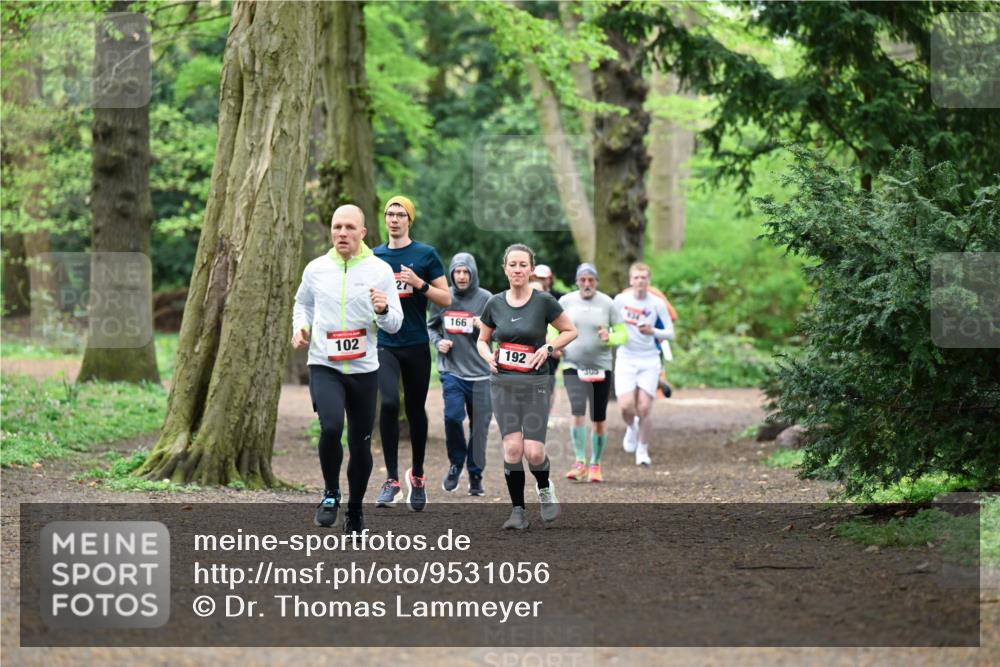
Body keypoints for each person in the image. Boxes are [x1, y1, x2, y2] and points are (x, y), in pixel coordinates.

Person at [292, 205, 403, 533]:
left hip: (364, 369)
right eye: (337, 227)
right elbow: (303, 303)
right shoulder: (316, 269)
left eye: (349, 227)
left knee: (359, 442)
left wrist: (382, 310)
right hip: (324, 363)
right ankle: (330, 494)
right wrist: (301, 326)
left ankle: (355, 509)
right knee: (329, 427)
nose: (342, 233)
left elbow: (395, 323)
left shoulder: (380, 270)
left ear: (363, 233)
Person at [477, 244, 577, 530]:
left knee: (533, 452)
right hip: (503, 384)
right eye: (513, 265)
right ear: (505, 269)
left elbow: (570, 330)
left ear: (531, 269)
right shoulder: (494, 303)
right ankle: (518, 511)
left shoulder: (544, 301)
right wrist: (488, 358)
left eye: (523, 265)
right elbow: (483, 340)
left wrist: (548, 346)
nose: (518, 270)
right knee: (512, 449)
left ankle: (545, 488)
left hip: (536, 384)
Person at [372, 196, 450, 512]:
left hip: (416, 343)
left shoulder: (425, 254)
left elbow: (445, 298)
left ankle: (416, 476)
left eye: (400, 214)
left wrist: (419, 284)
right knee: (389, 403)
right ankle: (391, 479)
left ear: (409, 220)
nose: (393, 219)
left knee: (416, 410)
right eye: (389, 214)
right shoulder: (374, 257)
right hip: (386, 343)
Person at [427, 252, 493, 496]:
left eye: (466, 272)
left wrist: (484, 327)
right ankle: (456, 463)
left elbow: (500, 332)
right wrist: (438, 342)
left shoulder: (486, 298)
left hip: (481, 375)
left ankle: (475, 475)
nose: (462, 276)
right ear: (452, 273)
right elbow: (431, 326)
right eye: (457, 272)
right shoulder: (444, 296)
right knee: (453, 417)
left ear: (473, 273)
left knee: (479, 428)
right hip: (452, 370)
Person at [558, 263, 628, 482]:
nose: (587, 284)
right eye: (583, 280)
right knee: (577, 411)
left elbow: (623, 334)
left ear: (596, 282)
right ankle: (580, 462)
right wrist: (555, 346)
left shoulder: (607, 303)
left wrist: (611, 337)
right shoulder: (565, 301)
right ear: (577, 281)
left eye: (591, 280)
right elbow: (553, 328)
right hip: (572, 365)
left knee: (598, 417)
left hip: (601, 366)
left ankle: (596, 464)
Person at [613, 262, 674, 466]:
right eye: (636, 277)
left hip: (649, 359)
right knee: (626, 406)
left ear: (649, 280)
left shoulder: (656, 303)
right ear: (631, 280)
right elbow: (610, 324)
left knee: (645, 407)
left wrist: (653, 331)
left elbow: (670, 332)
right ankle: (631, 427)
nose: (640, 281)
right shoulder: (621, 300)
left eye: (644, 277)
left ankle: (642, 451)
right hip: (626, 358)